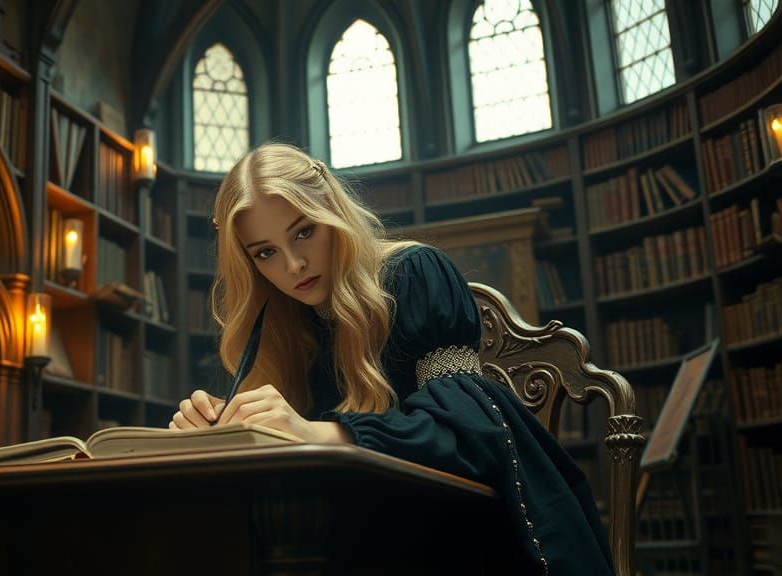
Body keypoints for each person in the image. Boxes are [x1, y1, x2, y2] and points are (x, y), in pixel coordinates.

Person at [171, 142, 613, 575]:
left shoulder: (413, 274)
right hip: (348, 531)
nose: (293, 265)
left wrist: (319, 433)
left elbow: (466, 436)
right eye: (265, 252)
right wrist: (222, 431)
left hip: (455, 535)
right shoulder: (281, 322)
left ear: (334, 215)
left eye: (304, 231)